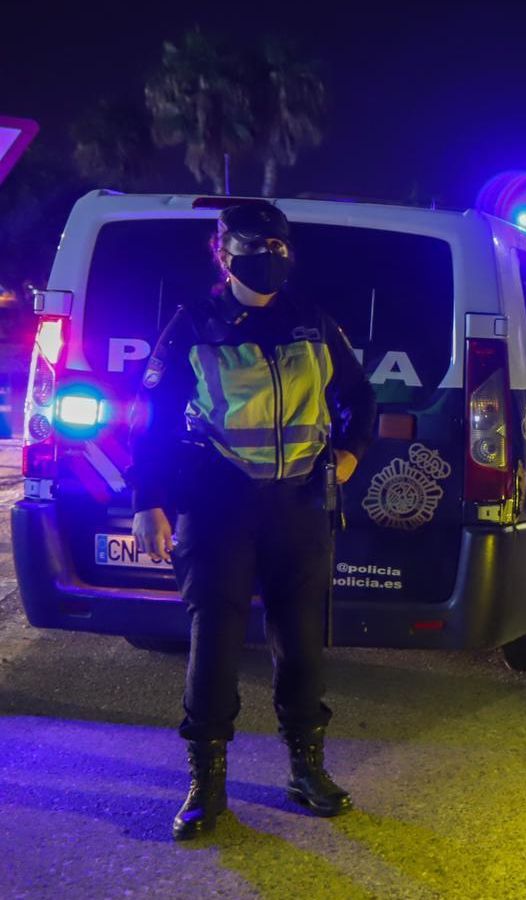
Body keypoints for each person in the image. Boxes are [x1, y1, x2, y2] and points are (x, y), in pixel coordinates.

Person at [130, 203, 377, 840]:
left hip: (299, 503)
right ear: (225, 254)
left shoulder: (313, 321)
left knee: (301, 643)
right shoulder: (194, 323)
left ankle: (306, 770)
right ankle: (206, 787)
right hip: (218, 504)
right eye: (256, 244)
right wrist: (146, 500)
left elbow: (359, 396)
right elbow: (151, 417)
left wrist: (351, 453)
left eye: (279, 244)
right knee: (213, 641)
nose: (271, 255)